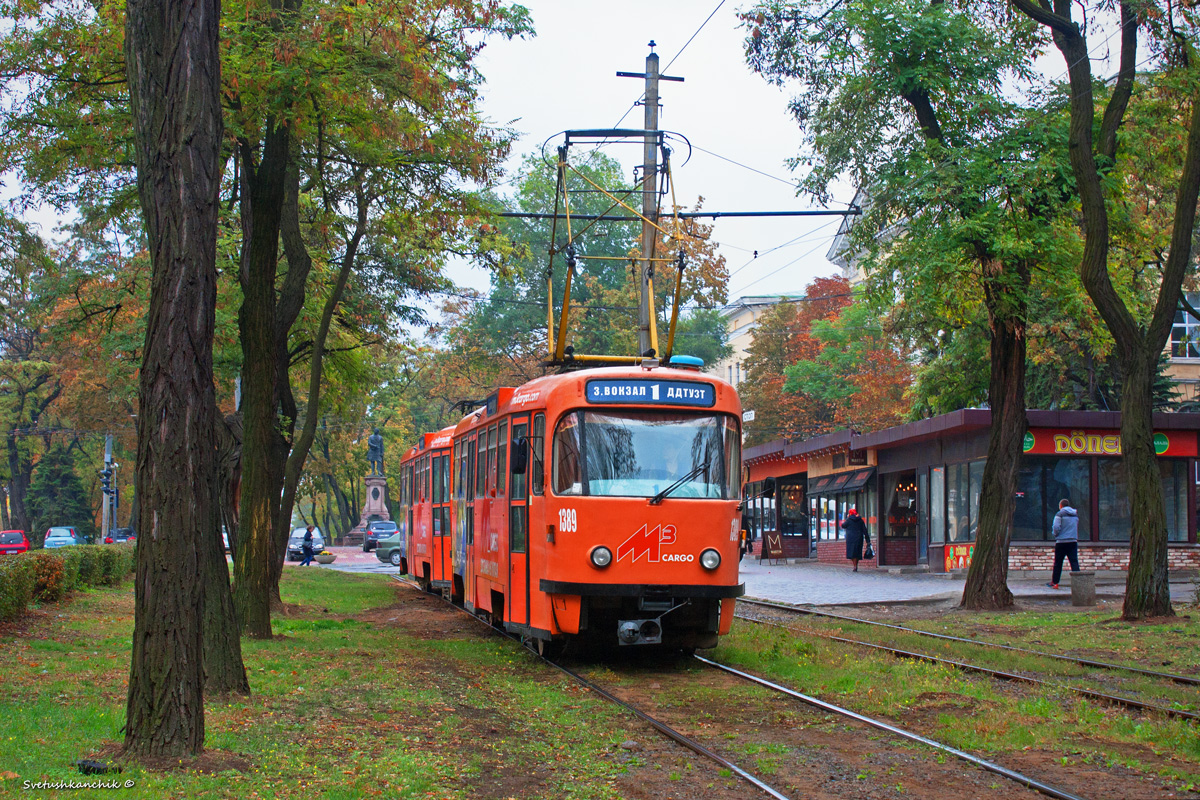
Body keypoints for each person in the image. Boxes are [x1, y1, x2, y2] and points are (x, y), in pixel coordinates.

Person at [1049, 498, 1080, 589]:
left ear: (1061, 506)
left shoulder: (1059, 514)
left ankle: (1055, 582)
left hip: (1061, 542)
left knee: (1058, 563)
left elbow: (1056, 527)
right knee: (1074, 562)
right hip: (1073, 541)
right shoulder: (1075, 514)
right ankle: (1078, 583)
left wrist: (1055, 534)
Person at [841, 507, 869, 572]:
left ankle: (855, 566)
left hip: (851, 539)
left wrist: (847, 518)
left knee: (852, 552)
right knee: (857, 552)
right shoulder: (860, 520)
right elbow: (864, 530)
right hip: (859, 538)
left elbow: (843, 525)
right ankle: (856, 565)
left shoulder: (849, 520)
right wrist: (868, 539)